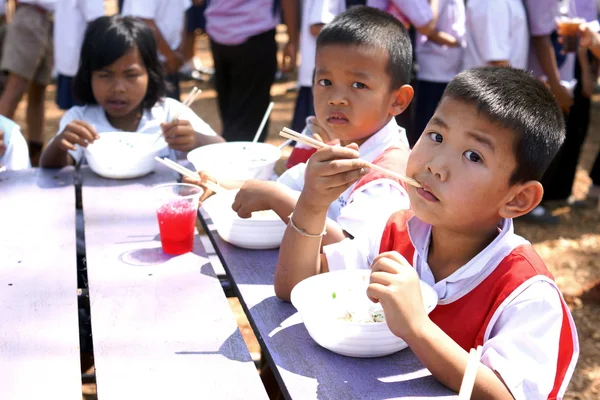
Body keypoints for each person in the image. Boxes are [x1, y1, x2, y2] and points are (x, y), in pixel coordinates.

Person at [274, 67, 578, 398]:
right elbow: (296, 286)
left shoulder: (525, 293)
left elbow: (506, 395)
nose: (435, 164)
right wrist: (312, 205)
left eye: (473, 155)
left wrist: (418, 328)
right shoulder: (396, 232)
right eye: (436, 136)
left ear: (518, 199)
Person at [185, 6, 414, 246]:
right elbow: (284, 186)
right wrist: (216, 184)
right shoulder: (339, 147)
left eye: (358, 85)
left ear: (397, 100)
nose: (336, 98)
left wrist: (276, 199)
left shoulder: (385, 178)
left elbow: (350, 250)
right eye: (325, 81)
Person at [40, 15, 222, 169]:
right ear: (89, 76)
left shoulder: (170, 114)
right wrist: (59, 146)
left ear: (150, 74)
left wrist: (196, 140)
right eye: (105, 75)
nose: (118, 88)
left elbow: (223, 149)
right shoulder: (80, 119)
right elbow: (50, 168)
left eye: (131, 75)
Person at [204, 0, 299, 142]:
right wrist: (292, 41)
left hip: (218, 32)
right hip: (254, 34)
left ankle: (230, 154)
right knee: (249, 122)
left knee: (231, 113)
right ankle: (238, 159)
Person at [0, 0, 55, 166]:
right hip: (29, 18)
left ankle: (36, 157)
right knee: (14, 90)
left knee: (38, 93)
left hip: (48, 20)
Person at [121, 0, 191, 100]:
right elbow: (144, 21)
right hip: (148, 63)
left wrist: (179, 52)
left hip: (171, 61)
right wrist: (170, 55)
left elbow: (182, 13)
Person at [54, 0, 105, 111]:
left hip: (67, 57)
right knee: (85, 113)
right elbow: (96, 22)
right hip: (80, 61)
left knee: (74, 113)